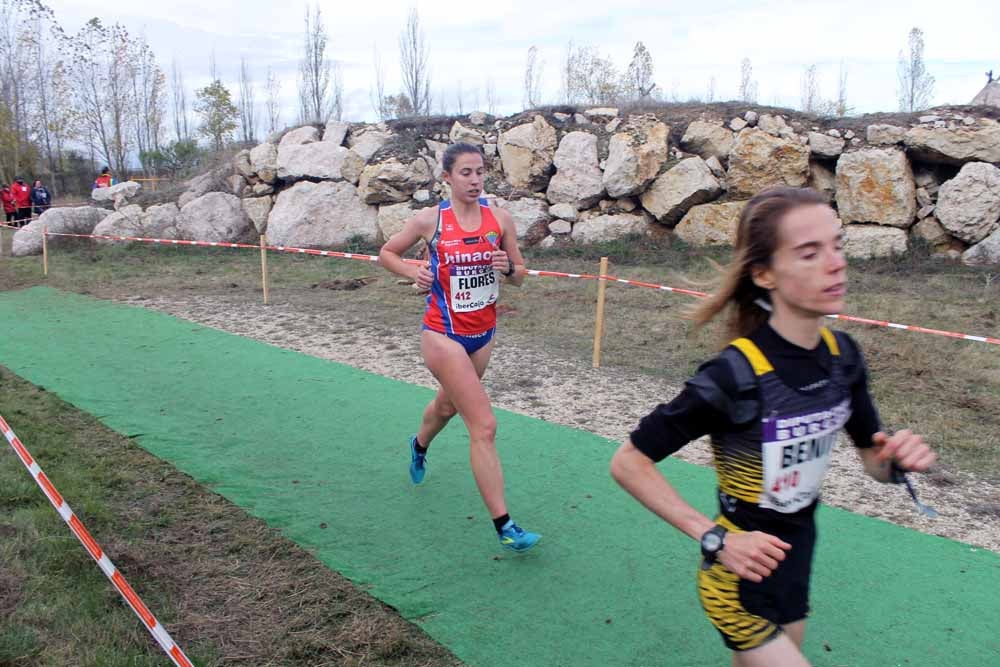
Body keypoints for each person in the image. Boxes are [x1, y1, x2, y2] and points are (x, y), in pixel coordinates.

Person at [610, 186, 936, 666]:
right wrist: (713, 537)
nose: (835, 263)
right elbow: (629, 462)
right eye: (809, 253)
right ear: (764, 274)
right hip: (736, 576)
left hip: (795, 561)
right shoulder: (733, 375)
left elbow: (873, 462)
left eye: (837, 245)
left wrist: (894, 461)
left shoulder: (843, 358)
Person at [378, 142, 541, 552]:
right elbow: (387, 253)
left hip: (483, 333)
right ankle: (505, 526)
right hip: (442, 334)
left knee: (448, 406)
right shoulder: (429, 220)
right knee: (483, 426)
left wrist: (510, 268)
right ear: (447, 177)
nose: (475, 180)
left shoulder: (499, 219)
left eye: (480, 172)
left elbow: (520, 273)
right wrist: (414, 271)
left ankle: (418, 446)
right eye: (466, 172)